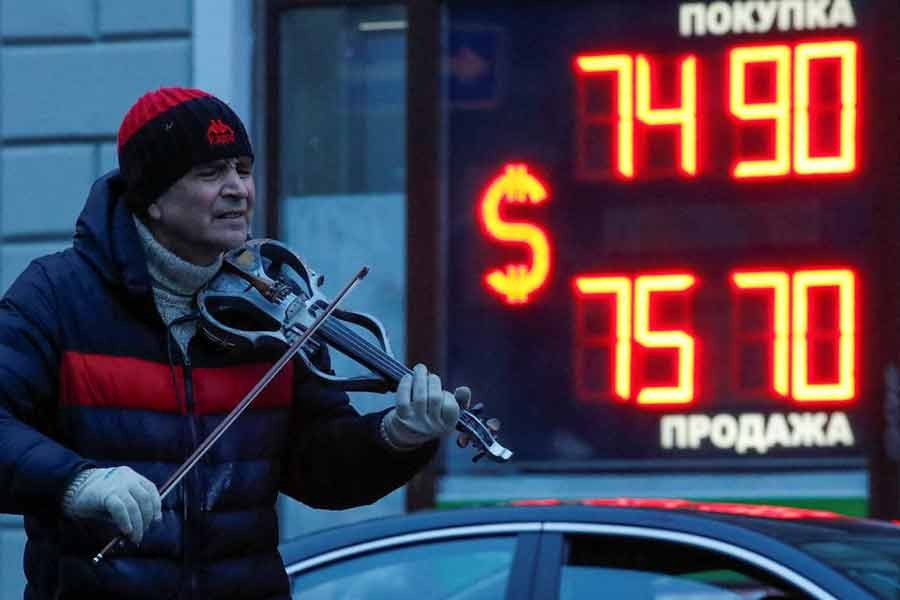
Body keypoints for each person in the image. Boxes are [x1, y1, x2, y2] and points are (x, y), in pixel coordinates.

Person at [0, 87, 463, 599]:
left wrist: (395, 438)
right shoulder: (57, 296)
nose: (237, 189)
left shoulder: (275, 304)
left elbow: (321, 473)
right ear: (152, 198)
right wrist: (78, 482)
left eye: (243, 169)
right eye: (210, 173)